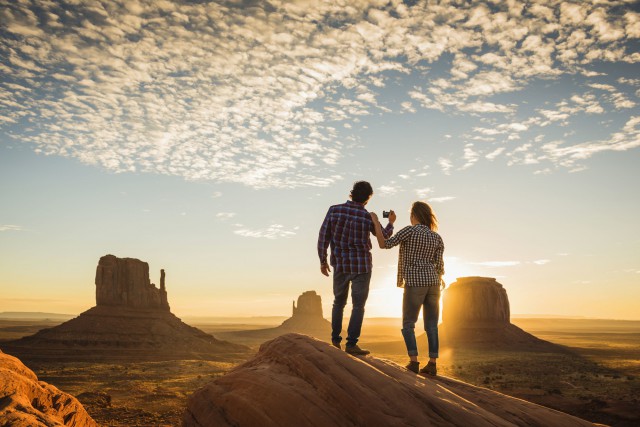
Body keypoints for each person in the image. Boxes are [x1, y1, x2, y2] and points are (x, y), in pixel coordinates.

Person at [318, 181, 395, 355]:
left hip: (340, 264)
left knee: (339, 302)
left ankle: (335, 341)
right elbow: (384, 237)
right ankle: (351, 345)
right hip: (362, 266)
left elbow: (324, 236)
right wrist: (390, 222)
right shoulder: (367, 216)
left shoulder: (334, 210)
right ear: (368, 198)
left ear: (351, 194)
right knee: (358, 306)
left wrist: (323, 260)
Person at [371, 201, 444, 375]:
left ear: (414, 215)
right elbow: (440, 265)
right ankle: (432, 364)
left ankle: (414, 362)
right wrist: (439, 279)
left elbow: (384, 244)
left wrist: (376, 222)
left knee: (408, 324)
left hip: (415, 282)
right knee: (432, 325)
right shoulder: (437, 237)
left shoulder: (409, 231)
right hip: (434, 283)